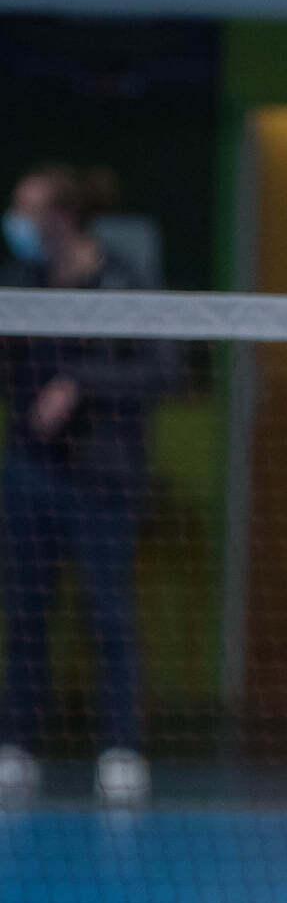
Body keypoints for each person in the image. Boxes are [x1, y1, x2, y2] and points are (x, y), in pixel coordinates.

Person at [0, 164, 174, 807]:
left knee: (109, 617)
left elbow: (165, 372)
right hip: (29, 471)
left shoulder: (125, 280)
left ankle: (122, 750)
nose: (15, 222)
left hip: (105, 480)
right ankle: (15, 746)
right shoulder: (21, 282)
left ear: (62, 217)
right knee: (26, 617)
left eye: (25, 208)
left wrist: (80, 383)